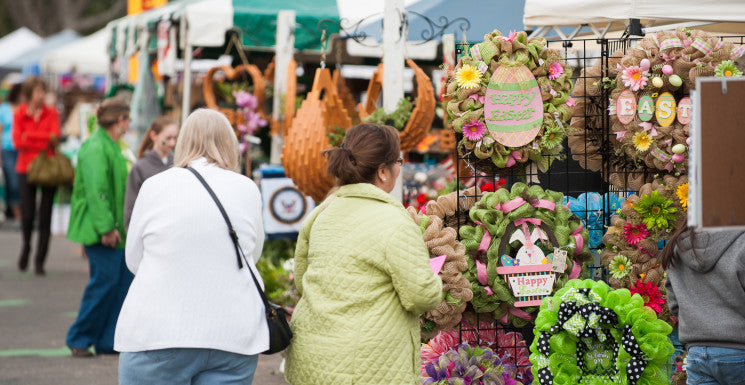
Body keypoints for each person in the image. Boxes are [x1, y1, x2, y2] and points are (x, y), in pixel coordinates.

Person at [116, 109, 267, 384]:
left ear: (183, 141)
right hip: (234, 334)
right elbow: (251, 256)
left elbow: (134, 260)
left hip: (159, 330)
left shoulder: (154, 186)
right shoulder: (247, 189)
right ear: (229, 143)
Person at [284, 123, 443, 385]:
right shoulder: (395, 221)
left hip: (309, 360)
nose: (399, 167)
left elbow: (303, 282)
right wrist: (437, 279)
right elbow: (421, 296)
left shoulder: (321, 213)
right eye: (398, 161)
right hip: (368, 368)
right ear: (383, 171)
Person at [66, 98, 134, 357]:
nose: (129, 125)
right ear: (120, 120)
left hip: (113, 228)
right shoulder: (97, 147)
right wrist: (107, 228)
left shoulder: (109, 145)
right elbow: (98, 193)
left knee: (120, 284)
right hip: (100, 229)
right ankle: (79, 338)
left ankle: (108, 340)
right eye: (127, 119)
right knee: (105, 284)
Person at [661, 225, 745, 385]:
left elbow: (674, 303)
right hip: (739, 349)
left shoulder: (678, 245)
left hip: (698, 353)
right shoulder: (741, 241)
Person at [12, 77, 60, 275]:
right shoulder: (20, 113)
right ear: (30, 93)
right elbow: (16, 141)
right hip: (26, 167)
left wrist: (29, 137)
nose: (42, 95)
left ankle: (40, 260)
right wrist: (42, 139)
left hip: (47, 167)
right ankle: (26, 246)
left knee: (45, 214)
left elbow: (55, 137)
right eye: (38, 91)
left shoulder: (51, 112)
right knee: (28, 213)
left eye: (43, 91)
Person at [123, 116, 178, 229]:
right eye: (168, 138)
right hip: (150, 230)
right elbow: (131, 206)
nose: (172, 143)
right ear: (154, 136)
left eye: (175, 138)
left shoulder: (179, 164)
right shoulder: (139, 168)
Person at [0, 82, 23, 229]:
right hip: (8, 149)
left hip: (22, 149)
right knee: (13, 183)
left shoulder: (24, 108)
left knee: (22, 183)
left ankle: (23, 215)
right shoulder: (4, 109)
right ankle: (17, 216)